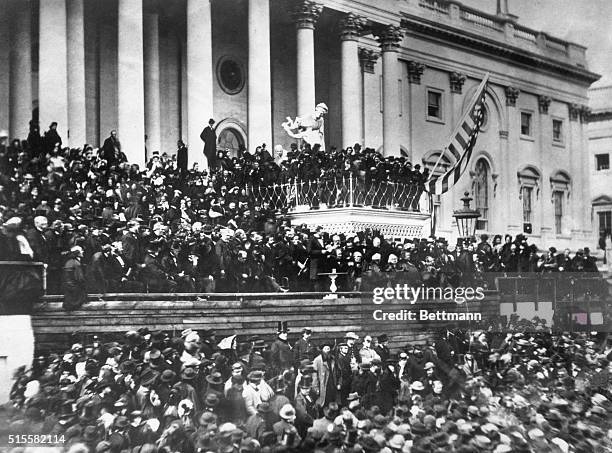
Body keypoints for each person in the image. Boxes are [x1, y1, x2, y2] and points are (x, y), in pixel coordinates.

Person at [62, 245, 87, 310]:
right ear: (77, 253)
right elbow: (80, 279)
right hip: (75, 290)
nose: (83, 251)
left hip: (68, 289)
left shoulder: (68, 262)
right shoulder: (76, 263)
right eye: (81, 250)